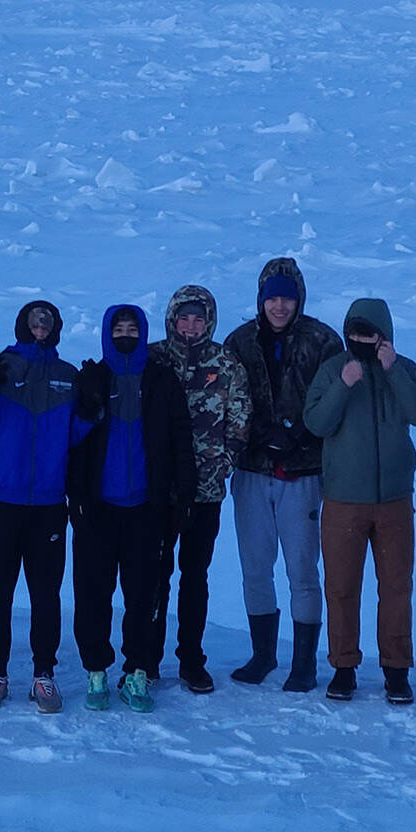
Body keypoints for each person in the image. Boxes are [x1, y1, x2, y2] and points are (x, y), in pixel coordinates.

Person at [0, 300, 91, 713]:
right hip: (1, 500)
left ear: (56, 327)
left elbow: (74, 436)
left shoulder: (67, 376)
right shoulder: (0, 366)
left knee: (46, 594)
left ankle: (43, 674)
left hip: (49, 504)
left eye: (48, 318)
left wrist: (89, 411)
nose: (40, 324)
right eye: (34, 318)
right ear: (21, 324)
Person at [222, 257, 343, 692]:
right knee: (255, 566)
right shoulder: (239, 342)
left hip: (304, 473)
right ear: (261, 299)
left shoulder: (322, 341)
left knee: (302, 569)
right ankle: (263, 654)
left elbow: (335, 404)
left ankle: (304, 662)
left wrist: (301, 437)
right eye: (271, 298)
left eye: (286, 299)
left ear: (298, 301)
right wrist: (255, 435)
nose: (278, 307)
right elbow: (225, 398)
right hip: (253, 470)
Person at [67, 305, 194, 713]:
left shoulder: (160, 379)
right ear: (106, 333)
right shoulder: (91, 378)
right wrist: (77, 499)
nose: (125, 334)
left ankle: (138, 669)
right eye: (118, 328)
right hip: (98, 508)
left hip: (146, 506)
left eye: (132, 328)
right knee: (93, 594)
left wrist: (182, 495)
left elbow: (180, 439)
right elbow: (74, 445)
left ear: (143, 333)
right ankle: (97, 670)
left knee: (144, 594)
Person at [303, 298, 416, 704]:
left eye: (369, 334)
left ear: (384, 335)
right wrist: (344, 384)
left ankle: (396, 670)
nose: (360, 340)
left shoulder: (404, 368)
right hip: (343, 499)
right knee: (341, 587)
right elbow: (317, 422)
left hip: (394, 498)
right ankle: (343, 667)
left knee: (396, 587)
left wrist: (392, 371)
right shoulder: (333, 369)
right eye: (355, 333)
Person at [149, 284, 251, 694]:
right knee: (154, 576)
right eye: (183, 317)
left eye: (198, 318)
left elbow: (240, 418)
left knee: (195, 577)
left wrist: (223, 464)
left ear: (209, 320)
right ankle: (146, 658)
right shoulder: (153, 358)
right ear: (172, 318)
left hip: (205, 493)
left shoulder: (225, 363)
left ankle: (191, 660)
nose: (190, 326)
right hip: (157, 491)